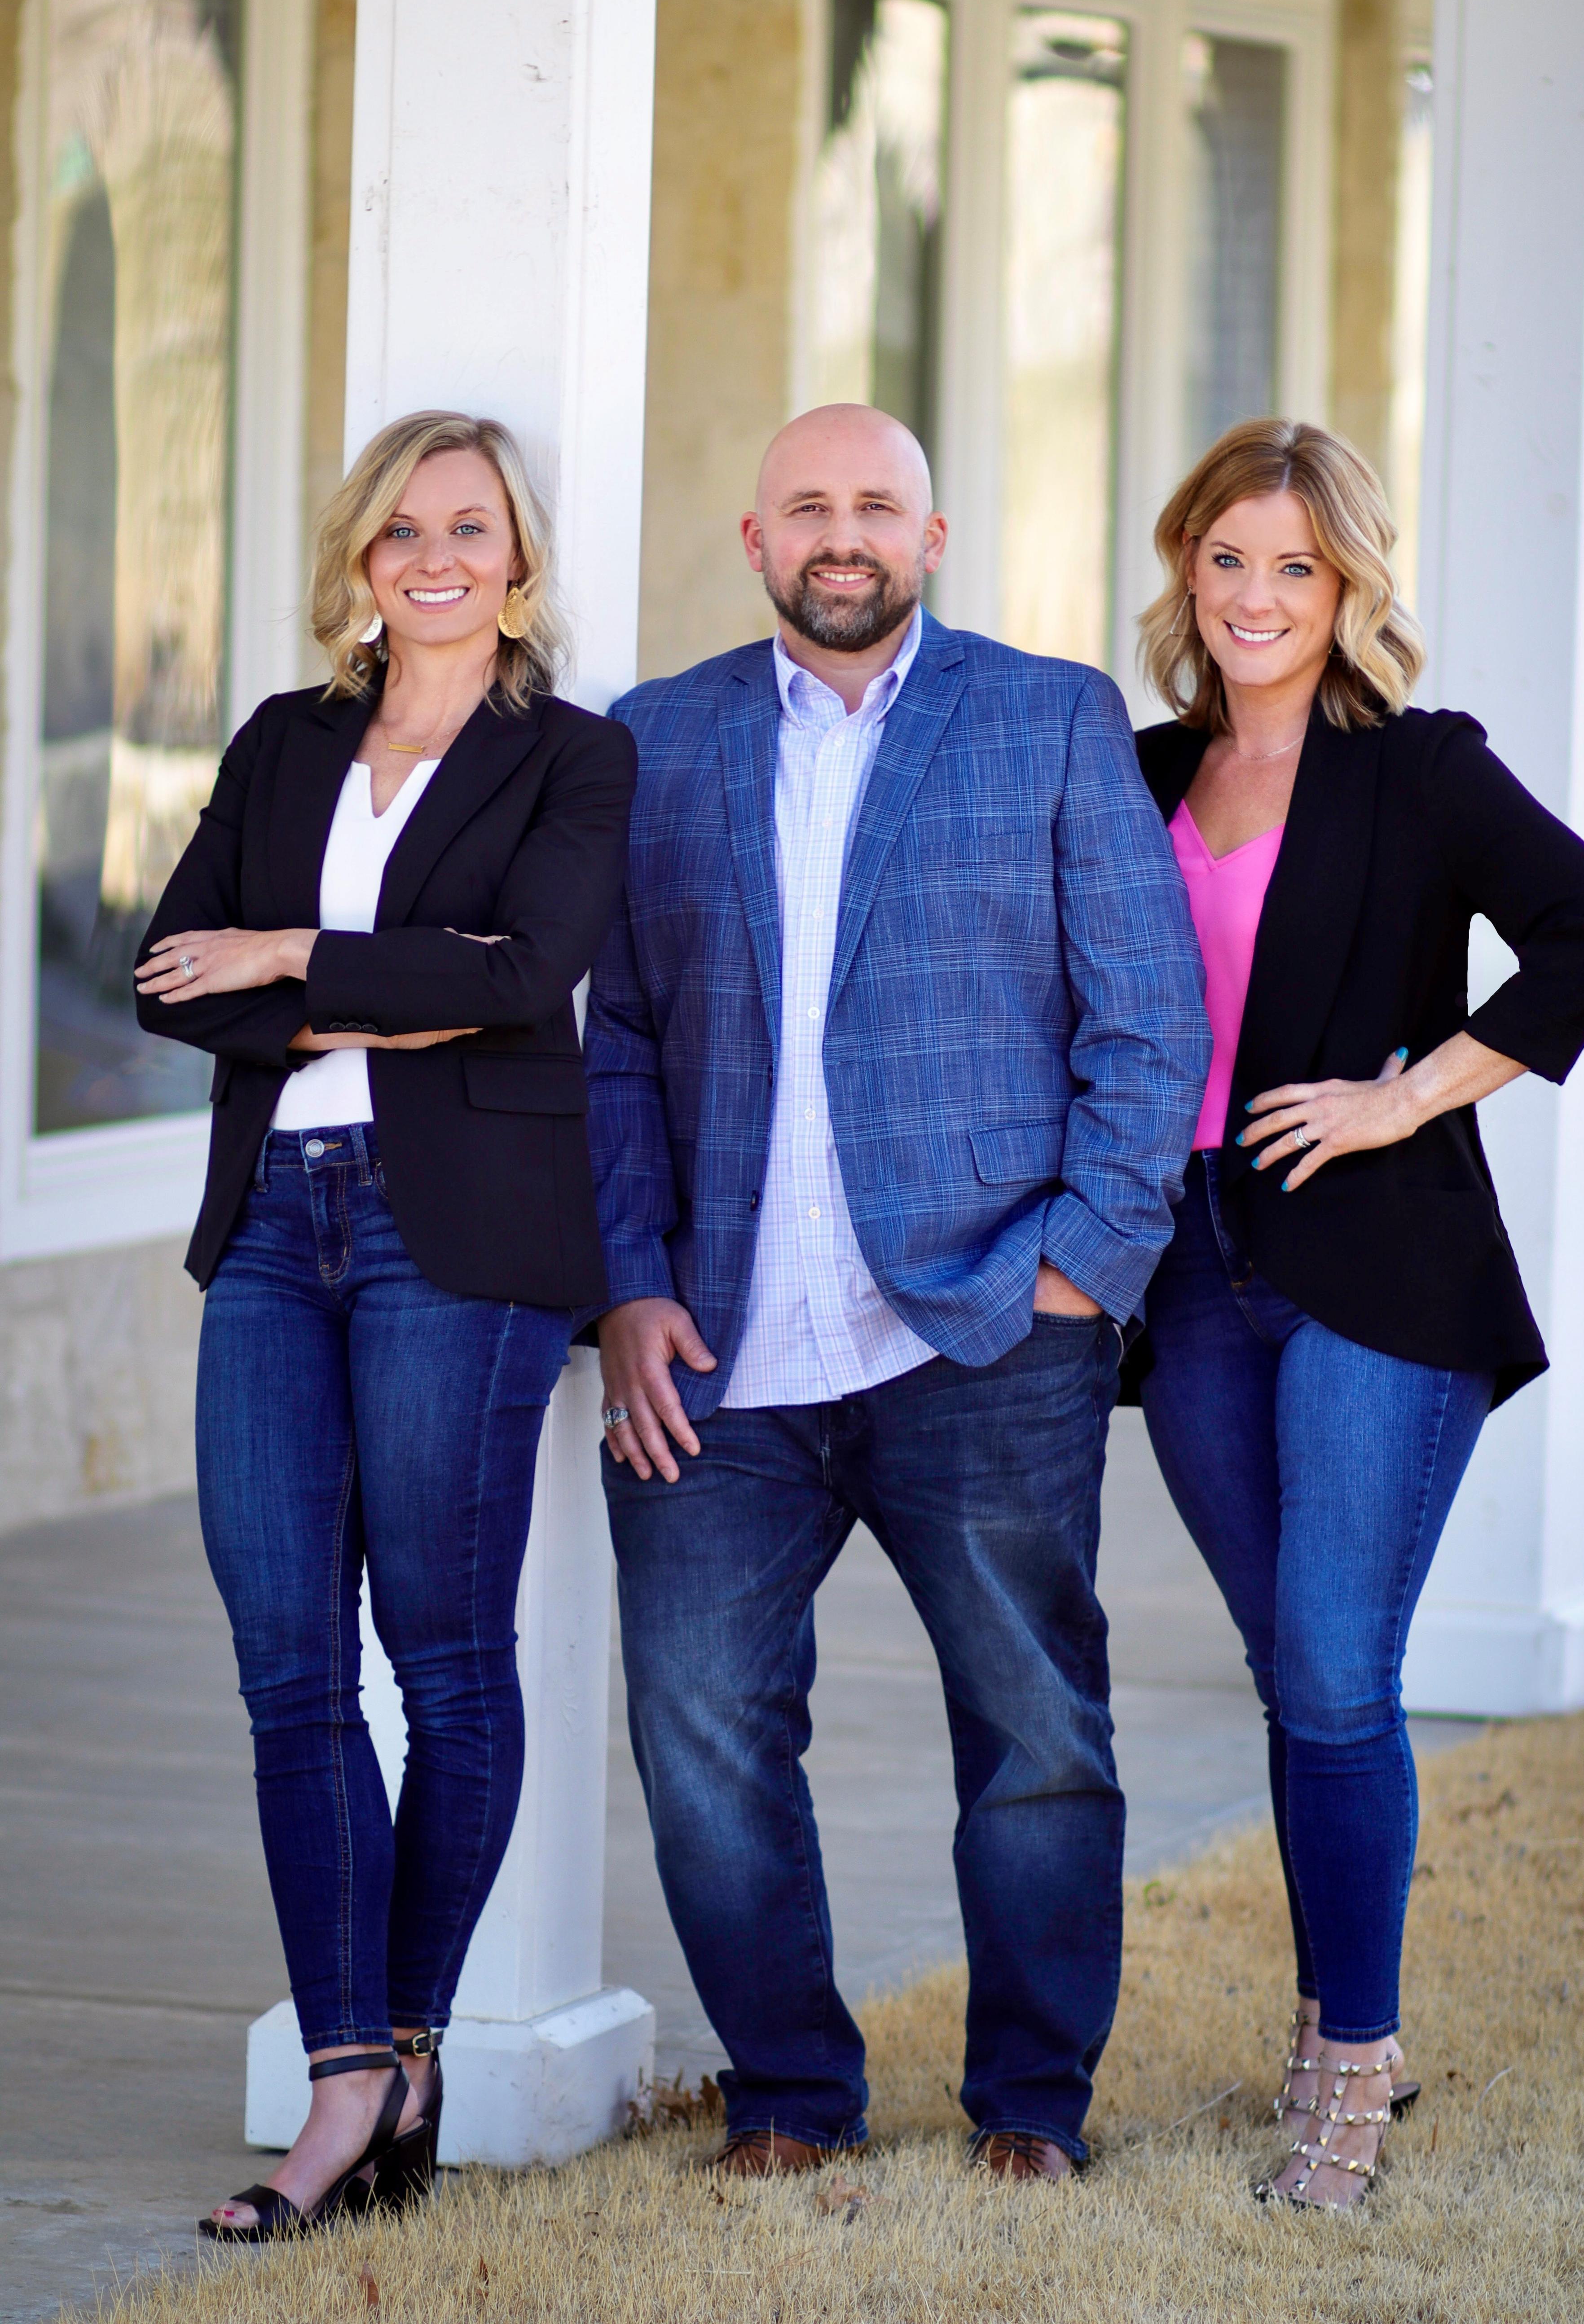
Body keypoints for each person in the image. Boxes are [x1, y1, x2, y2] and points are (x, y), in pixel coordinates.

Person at [586, 402, 1209, 2183]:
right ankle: (787, 2093)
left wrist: (1084, 1270)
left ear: (931, 540)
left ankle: (1030, 2102)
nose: (841, 534)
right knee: (702, 1730)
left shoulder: (1051, 716)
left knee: (1032, 1730)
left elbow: (1149, 1018)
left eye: (877, 505)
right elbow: (619, 1043)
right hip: (718, 1346)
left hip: (988, 1332)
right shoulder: (662, 740)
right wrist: (626, 1286)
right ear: (755, 540)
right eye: (808, 507)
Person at [1124, 416, 1584, 2210]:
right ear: (1185, 571)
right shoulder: (1139, 773)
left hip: (1380, 1266)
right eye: (1228, 558)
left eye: (1298, 564)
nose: (1259, 595)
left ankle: (1350, 2068)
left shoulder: (1415, 770)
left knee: (1340, 1676)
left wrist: (1405, 1094)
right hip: (1193, 1276)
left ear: (1347, 585)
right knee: (1296, 1680)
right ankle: (1343, 2013)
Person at [133, 411, 635, 2238]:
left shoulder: (578, 760)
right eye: (401, 527)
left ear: (519, 558)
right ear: (361, 555)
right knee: (287, 1656)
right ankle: (355, 2073)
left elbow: (527, 984)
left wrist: (293, 960)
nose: (434, 556)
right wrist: (380, 1006)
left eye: (471, 527)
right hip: (272, 1228)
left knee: (442, 1653)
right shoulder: (286, 742)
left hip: (463, 1243)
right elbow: (166, 973)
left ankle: (399, 2053)